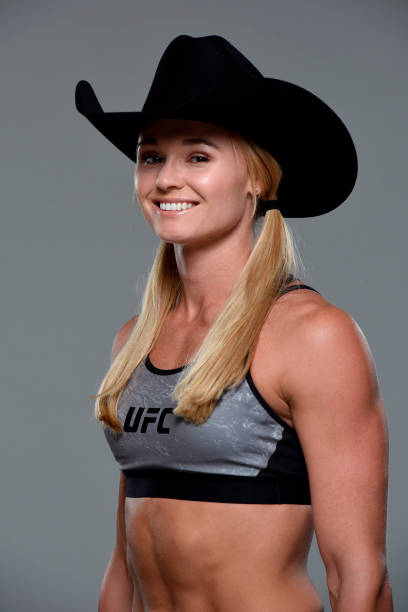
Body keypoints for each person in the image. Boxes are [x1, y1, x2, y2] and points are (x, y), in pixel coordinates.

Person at [76, 35, 393, 612]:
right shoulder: (133, 340)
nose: (166, 179)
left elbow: (359, 576)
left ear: (257, 179)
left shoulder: (312, 335)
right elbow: (123, 562)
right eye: (152, 156)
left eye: (197, 156)